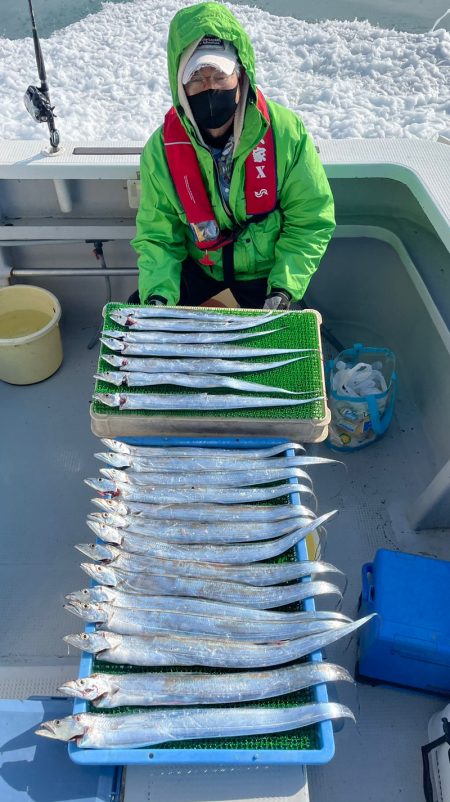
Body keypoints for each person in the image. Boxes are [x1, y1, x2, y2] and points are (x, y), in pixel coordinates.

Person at [130, 2, 335, 310]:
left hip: (266, 280)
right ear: (181, 86)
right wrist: (159, 297)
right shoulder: (160, 150)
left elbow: (310, 220)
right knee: (140, 314)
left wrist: (283, 289)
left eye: (220, 75)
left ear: (240, 75)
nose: (210, 87)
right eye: (197, 77)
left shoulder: (286, 132)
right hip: (200, 272)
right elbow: (159, 238)